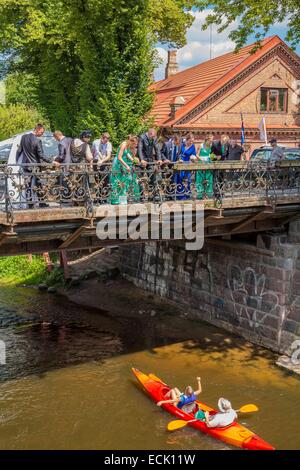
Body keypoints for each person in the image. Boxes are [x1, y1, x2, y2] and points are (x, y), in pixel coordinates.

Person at [16, 123, 52, 208]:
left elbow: (19, 150)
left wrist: (17, 161)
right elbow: (41, 155)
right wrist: (51, 161)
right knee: (38, 183)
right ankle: (41, 202)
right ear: (38, 130)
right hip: (35, 166)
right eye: (42, 132)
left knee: (28, 184)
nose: (42, 134)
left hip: (25, 165)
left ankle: (30, 204)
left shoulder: (23, 137)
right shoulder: (37, 140)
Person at [110, 135, 140, 205]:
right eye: (134, 144)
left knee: (124, 182)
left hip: (123, 163)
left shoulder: (127, 145)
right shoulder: (123, 144)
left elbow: (127, 154)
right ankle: (115, 200)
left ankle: (122, 200)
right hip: (118, 164)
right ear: (130, 141)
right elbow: (119, 157)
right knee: (117, 182)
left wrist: (133, 160)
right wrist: (126, 166)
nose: (134, 145)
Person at [175, 133, 197, 200]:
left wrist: (193, 158)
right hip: (180, 162)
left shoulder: (193, 146)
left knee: (188, 179)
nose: (191, 142)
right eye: (190, 141)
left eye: (192, 141)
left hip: (188, 163)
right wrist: (179, 159)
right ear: (187, 140)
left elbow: (194, 154)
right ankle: (180, 195)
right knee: (180, 179)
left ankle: (187, 194)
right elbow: (178, 153)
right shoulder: (182, 145)